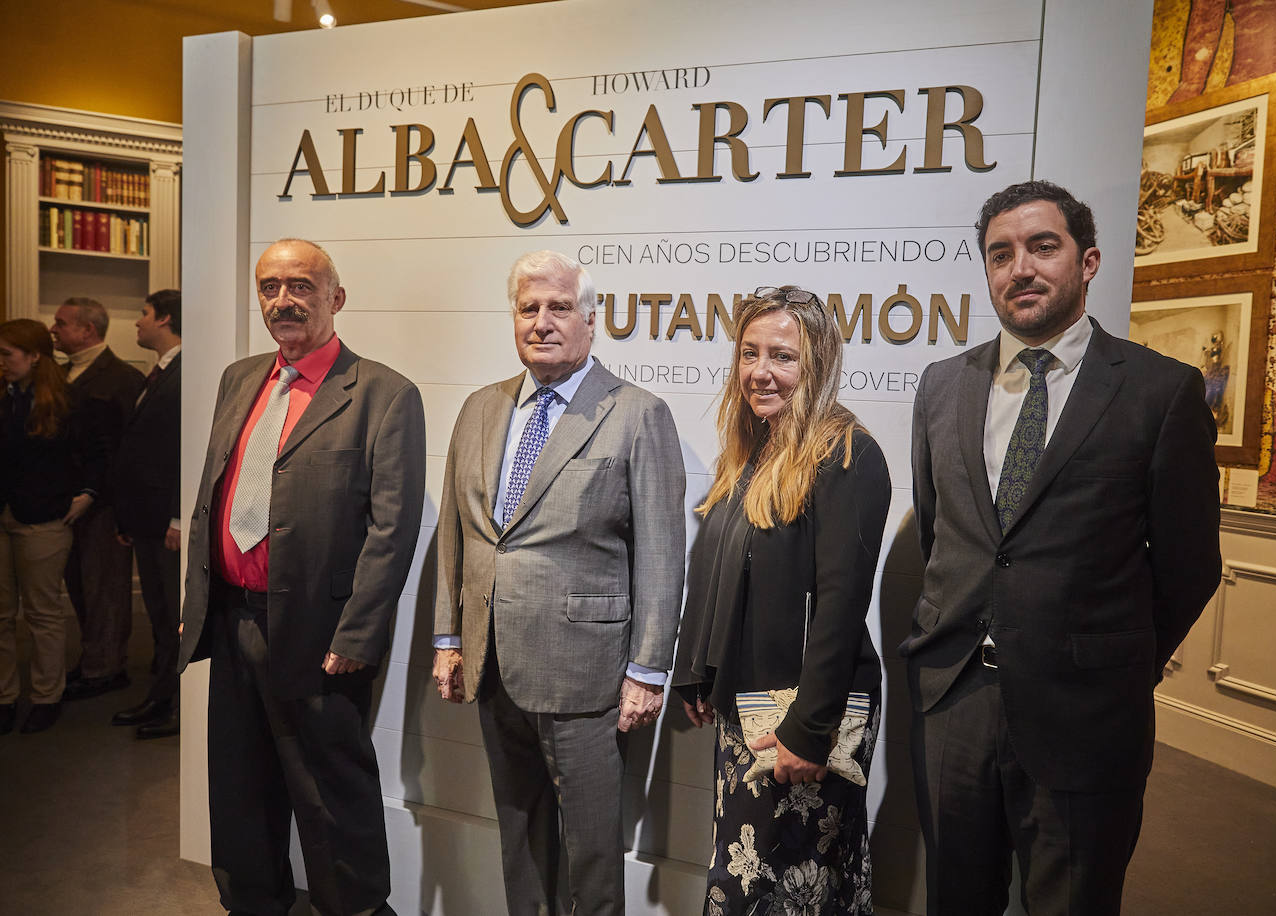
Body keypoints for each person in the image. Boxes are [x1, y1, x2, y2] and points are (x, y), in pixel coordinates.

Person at [902, 180, 1222, 915]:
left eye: (1043, 247)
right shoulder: (943, 386)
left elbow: (1189, 566)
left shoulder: (1160, 392)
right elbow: (939, 532)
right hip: (954, 703)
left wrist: (1113, 660)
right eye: (1000, 254)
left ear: (1089, 261)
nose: (1020, 268)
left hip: (1087, 713)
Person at [431, 249, 686, 916]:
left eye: (559, 307)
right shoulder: (479, 409)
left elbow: (662, 555)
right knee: (518, 837)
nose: (542, 322)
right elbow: (456, 533)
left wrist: (648, 671)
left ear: (591, 320)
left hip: (587, 676)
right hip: (493, 663)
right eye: (529, 308)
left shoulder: (636, 414)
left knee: (591, 854)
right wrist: (449, 638)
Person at [179, 239, 425, 915]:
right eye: (270, 287)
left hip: (323, 636)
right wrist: (198, 600)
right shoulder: (239, 378)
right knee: (239, 787)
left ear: (335, 298)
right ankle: (253, 903)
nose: (283, 301)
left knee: (331, 797)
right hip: (233, 620)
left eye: (301, 286)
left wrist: (359, 634)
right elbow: (213, 495)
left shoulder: (383, 393)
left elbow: (392, 531)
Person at [672, 286, 891, 915]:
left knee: (794, 892)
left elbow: (841, 607)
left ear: (816, 364)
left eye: (782, 356)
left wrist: (809, 730)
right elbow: (718, 569)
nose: (760, 372)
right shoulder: (756, 449)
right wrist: (700, 672)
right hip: (750, 708)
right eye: (749, 353)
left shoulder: (847, 453)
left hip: (802, 719)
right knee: (745, 884)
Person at [0, 319, 108, 734]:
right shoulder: (4, 397)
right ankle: (5, 697)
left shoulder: (67, 401)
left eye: (7, 354)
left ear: (34, 356)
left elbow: (97, 454)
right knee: (1, 615)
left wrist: (88, 495)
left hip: (44, 519)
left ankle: (47, 696)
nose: (2, 362)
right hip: (3, 516)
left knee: (43, 613)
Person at [50, 297, 144, 701]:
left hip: (105, 504)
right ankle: (93, 658)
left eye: (61, 323)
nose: (53, 329)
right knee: (78, 585)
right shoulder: (57, 374)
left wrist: (103, 497)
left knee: (104, 587)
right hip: (64, 500)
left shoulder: (123, 378)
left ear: (87, 330)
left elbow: (127, 449)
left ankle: (106, 668)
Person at [110, 289, 182, 739]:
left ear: (166, 319)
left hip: (166, 521)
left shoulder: (186, 372)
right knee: (158, 615)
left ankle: (174, 705)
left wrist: (178, 517)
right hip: (146, 519)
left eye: (144, 314)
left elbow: (185, 450)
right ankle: (160, 696)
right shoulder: (157, 373)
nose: (138, 322)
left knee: (173, 616)